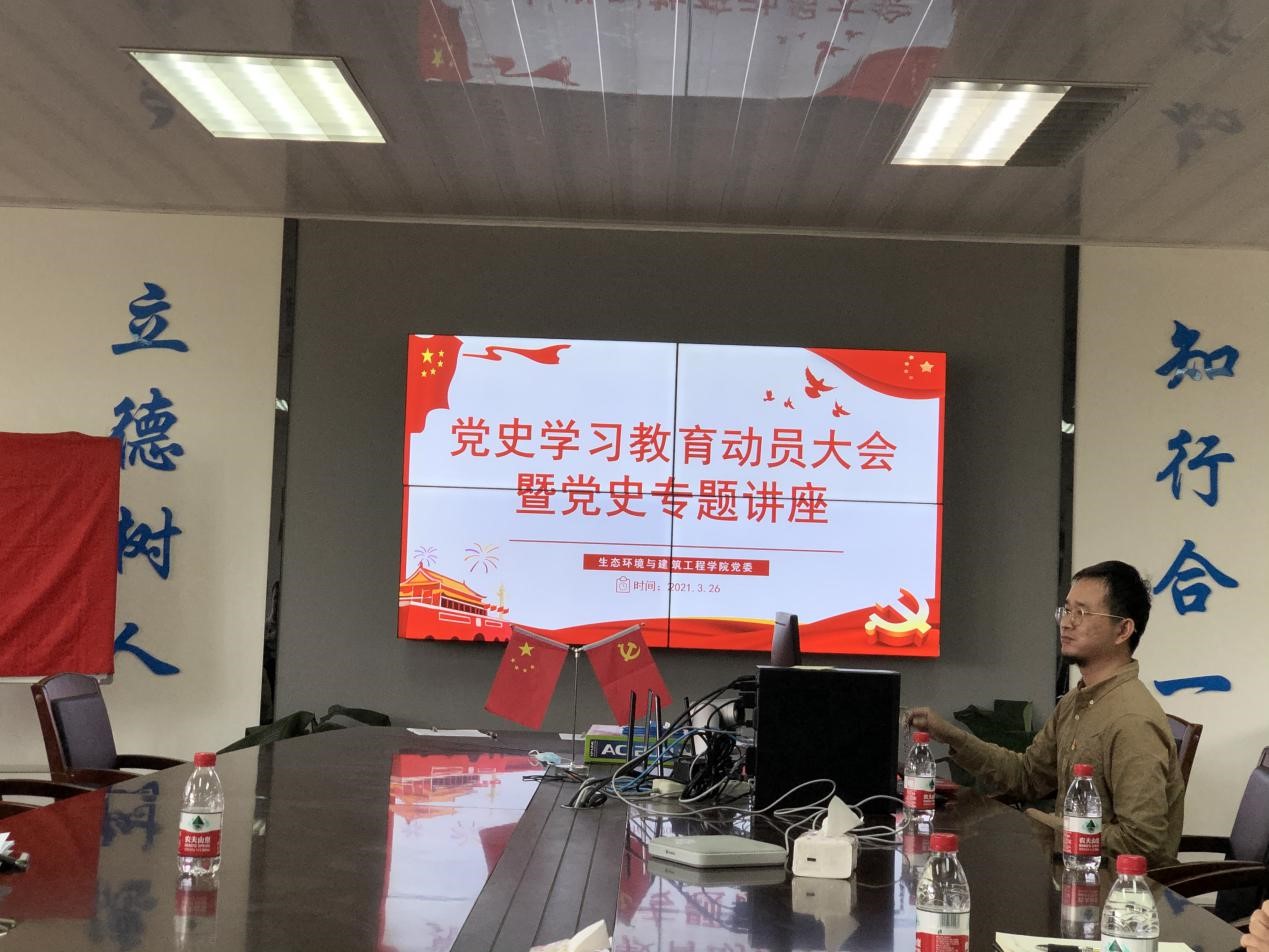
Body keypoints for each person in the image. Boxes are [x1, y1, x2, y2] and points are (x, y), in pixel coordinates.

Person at [908, 560, 1184, 867]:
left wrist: (1053, 826)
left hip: (1113, 886)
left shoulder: (1131, 720)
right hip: (1069, 868)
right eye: (1066, 610)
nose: (1066, 623)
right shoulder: (1077, 701)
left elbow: (1141, 844)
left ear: (1123, 630)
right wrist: (950, 735)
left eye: (1082, 613)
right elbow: (1026, 776)